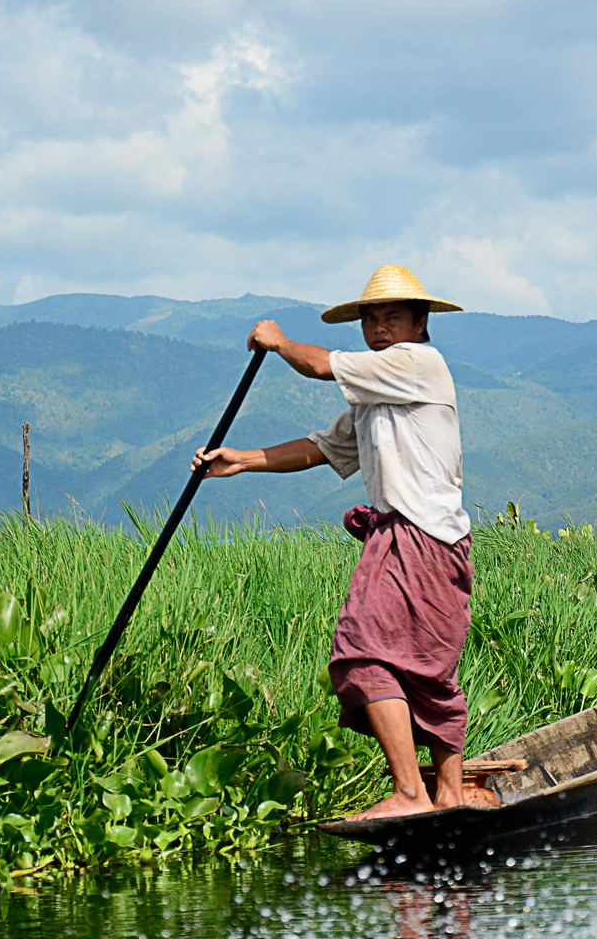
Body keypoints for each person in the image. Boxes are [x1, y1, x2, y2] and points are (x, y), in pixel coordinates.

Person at [192, 265, 477, 820]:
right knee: (422, 667)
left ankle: (411, 795)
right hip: (415, 537)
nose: (379, 328)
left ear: (421, 323)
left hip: (420, 537)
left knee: (360, 655)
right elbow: (323, 448)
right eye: (370, 320)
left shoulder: (418, 363)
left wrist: (277, 344)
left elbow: (321, 365)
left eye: (392, 317)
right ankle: (450, 795)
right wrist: (241, 461)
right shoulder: (379, 388)